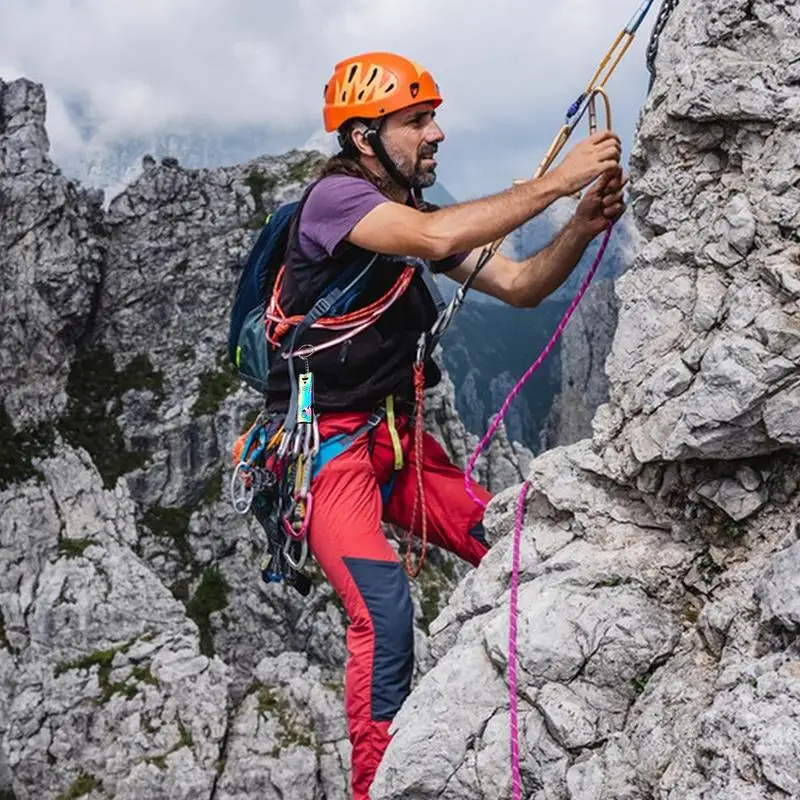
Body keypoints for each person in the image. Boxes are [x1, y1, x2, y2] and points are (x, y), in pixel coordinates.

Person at [264, 51, 626, 799]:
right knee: (385, 610)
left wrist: (581, 226)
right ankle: (377, 787)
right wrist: (559, 181)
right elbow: (429, 244)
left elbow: (521, 286)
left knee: (512, 543)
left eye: (433, 117)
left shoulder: (417, 213)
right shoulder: (335, 203)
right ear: (365, 138)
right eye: (418, 120)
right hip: (327, 458)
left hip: (396, 445)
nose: (437, 134)